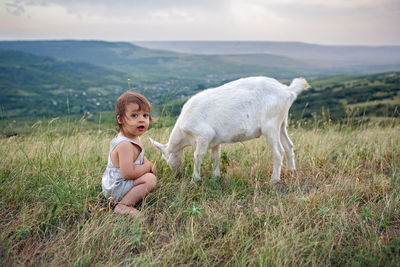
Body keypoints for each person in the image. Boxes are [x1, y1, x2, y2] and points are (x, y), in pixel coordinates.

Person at [102, 91, 157, 215]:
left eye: (145, 115)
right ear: (120, 119)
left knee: (149, 177)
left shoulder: (134, 137)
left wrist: (147, 162)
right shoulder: (125, 145)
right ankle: (123, 205)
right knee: (150, 179)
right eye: (134, 116)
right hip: (116, 187)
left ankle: (128, 198)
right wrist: (147, 167)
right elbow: (128, 173)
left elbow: (139, 157)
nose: (142, 120)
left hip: (121, 183)